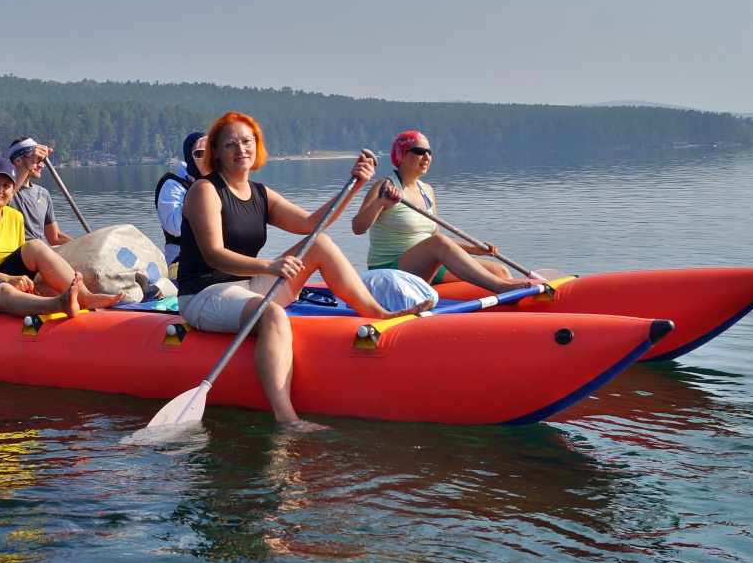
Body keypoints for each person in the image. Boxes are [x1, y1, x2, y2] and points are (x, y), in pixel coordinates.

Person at [178, 112, 434, 431]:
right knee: (272, 314)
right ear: (215, 151)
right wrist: (269, 266)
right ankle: (287, 419)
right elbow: (214, 256)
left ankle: (379, 313)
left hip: (245, 286)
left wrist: (354, 185)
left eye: (247, 141)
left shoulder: (260, 193)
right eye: (230, 143)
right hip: (203, 294)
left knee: (320, 244)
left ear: (257, 147)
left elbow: (311, 225)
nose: (240, 149)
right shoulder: (205, 190)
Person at [0, 158, 124, 318]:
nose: (0, 190)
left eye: (6, 185)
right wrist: (9, 279)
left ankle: (85, 297)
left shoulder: (15, 217)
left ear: (13, 190)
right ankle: (59, 304)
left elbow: (21, 260)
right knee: (4, 288)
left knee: (35, 246)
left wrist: (31, 284)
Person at [349, 131, 524, 292]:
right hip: (388, 271)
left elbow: (441, 246)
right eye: (419, 151)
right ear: (402, 155)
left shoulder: (427, 190)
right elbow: (358, 228)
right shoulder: (385, 186)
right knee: (438, 241)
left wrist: (473, 249)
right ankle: (501, 289)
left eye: (429, 152)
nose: (426, 157)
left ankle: (507, 305)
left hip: (427, 267)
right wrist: (379, 203)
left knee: (500, 271)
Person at [6, 137, 72, 247]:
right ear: (19, 161)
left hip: (40, 254)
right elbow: (9, 192)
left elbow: (55, 238)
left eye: (42, 161)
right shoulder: (2, 193)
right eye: (38, 160)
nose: (41, 165)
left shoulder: (43, 193)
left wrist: (85, 244)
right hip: (16, 255)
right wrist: (30, 162)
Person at [155, 131, 208, 266]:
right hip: (180, 262)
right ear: (190, 157)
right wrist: (198, 192)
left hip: (216, 261)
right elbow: (175, 227)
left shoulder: (219, 183)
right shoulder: (172, 185)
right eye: (200, 153)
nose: (208, 158)